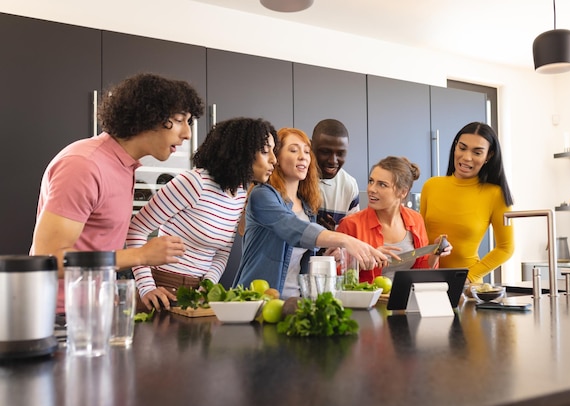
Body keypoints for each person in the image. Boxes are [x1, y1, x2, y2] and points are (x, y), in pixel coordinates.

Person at [30, 73, 205, 313]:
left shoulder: (124, 166)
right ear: (148, 117)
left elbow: (95, 246)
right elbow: (50, 259)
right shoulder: (84, 165)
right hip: (58, 315)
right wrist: (140, 256)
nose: (187, 134)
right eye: (179, 120)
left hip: (94, 310)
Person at [126, 117, 277, 310]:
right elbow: (136, 230)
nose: (274, 159)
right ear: (241, 152)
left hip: (198, 295)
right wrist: (146, 287)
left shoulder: (239, 192)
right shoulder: (194, 183)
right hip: (162, 289)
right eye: (265, 151)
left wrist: (208, 286)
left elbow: (222, 251)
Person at [234, 127, 388, 297]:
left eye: (307, 152)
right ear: (275, 157)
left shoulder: (308, 207)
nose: (303, 156)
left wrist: (327, 253)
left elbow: (301, 258)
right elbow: (291, 228)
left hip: (297, 302)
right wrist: (346, 240)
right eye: (293, 150)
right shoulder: (262, 195)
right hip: (258, 299)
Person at [420, 121, 514, 284]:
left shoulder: (495, 194)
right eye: (462, 148)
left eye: (477, 152)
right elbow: (419, 238)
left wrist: (469, 277)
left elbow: (506, 248)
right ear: (455, 147)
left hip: (466, 287)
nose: (467, 157)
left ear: (488, 156)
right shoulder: (431, 186)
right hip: (426, 280)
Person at [336, 156, 452, 283]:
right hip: (365, 301)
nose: (371, 189)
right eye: (371, 181)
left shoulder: (416, 220)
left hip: (406, 298)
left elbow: (420, 269)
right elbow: (336, 275)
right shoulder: (351, 224)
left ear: (403, 192)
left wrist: (435, 253)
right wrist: (363, 260)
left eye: (382, 184)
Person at [311, 119, 360, 230]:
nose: (333, 161)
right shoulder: (294, 179)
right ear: (311, 146)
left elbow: (352, 236)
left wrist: (333, 236)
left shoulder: (349, 185)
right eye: (325, 152)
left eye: (340, 153)